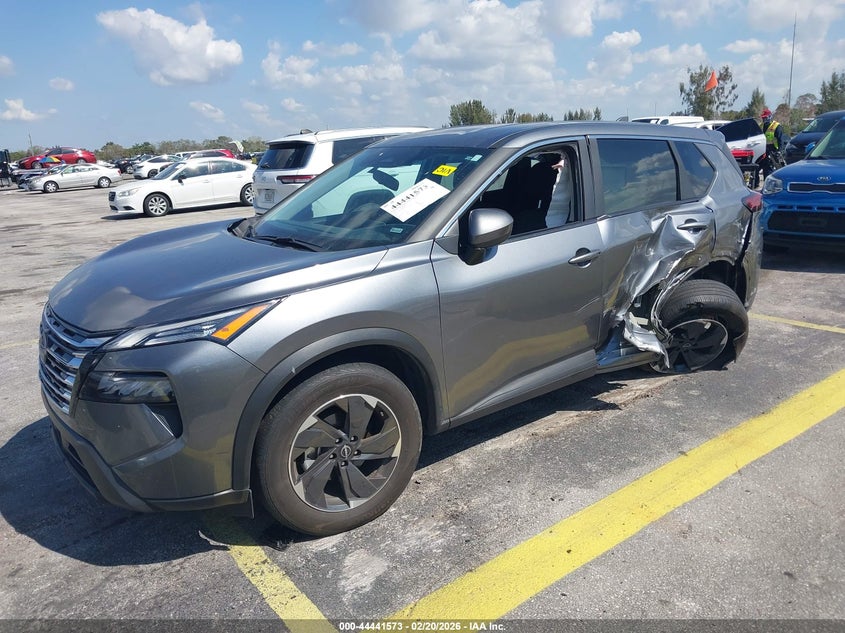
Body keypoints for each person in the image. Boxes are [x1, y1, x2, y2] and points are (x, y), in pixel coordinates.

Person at [761, 108, 785, 178]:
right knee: (765, 168)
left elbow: (780, 140)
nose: (764, 119)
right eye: (763, 118)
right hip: (764, 150)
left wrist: (779, 151)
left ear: (770, 117)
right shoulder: (763, 126)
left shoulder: (776, 126)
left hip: (774, 150)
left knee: (771, 169)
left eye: (765, 118)